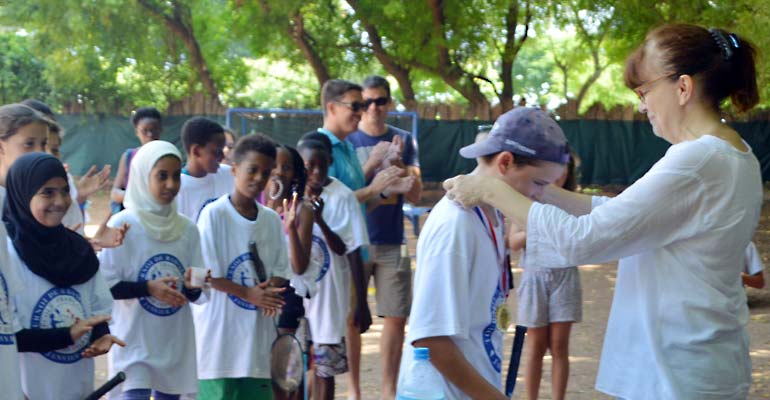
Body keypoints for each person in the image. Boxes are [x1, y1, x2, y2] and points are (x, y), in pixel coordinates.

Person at [444, 24, 761, 399]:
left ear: (683, 88)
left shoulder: (698, 160)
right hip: (699, 365)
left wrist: (491, 189)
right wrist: (541, 190)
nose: (641, 104)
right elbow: (626, 213)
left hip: (678, 373)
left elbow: (586, 239)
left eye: (644, 91)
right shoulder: (735, 155)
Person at [401, 107, 568, 400]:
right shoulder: (456, 225)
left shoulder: (489, 215)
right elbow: (430, 339)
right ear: (505, 162)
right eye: (539, 184)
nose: (540, 196)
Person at [5, 153, 124, 400]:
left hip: (77, 388)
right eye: (47, 192)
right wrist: (67, 335)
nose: (60, 201)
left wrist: (100, 334)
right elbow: (10, 335)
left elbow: (95, 306)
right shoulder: (7, 255)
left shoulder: (79, 250)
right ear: (22, 195)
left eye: (64, 191)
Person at [99, 140, 206, 399]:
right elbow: (106, 287)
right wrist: (148, 288)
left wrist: (193, 286)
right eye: (162, 176)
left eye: (175, 176)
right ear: (141, 176)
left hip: (172, 341)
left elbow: (195, 291)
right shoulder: (124, 224)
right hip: (133, 341)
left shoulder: (188, 229)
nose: (171, 184)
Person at [314, 79, 396, 398]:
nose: (362, 112)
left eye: (364, 105)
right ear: (332, 107)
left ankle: (355, 390)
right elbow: (331, 203)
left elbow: (356, 202)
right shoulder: (319, 149)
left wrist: (386, 189)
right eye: (356, 106)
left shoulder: (347, 146)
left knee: (353, 321)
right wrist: (374, 188)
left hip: (355, 248)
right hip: (331, 255)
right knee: (331, 331)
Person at [194, 134, 290, 400]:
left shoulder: (271, 220)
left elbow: (282, 270)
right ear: (234, 169)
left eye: (266, 172)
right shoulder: (214, 215)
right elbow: (209, 276)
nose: (259, 178)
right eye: (252, 170)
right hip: (219, 344)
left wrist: (271, 288)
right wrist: (249, 294)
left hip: (257, 342)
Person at [346, 75, 422, 398]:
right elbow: (343, 194)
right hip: (356, 241)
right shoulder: (347, 141)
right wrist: (375, 164)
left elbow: (416, 194)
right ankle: (354, 389)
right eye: (367, 102)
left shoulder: (405, 139)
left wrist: (401, 166)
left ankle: (389, 391)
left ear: (389, 104)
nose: (374, 108)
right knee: (352, 316)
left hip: (395, 241)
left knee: (396, 315)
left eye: (380, 101)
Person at [298, 138, 368, 400]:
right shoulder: (292, 194)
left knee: (326, 370)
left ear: (330, 162)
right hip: (299, 298)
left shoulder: (343, 197)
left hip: (329, 300)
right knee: (295, 365)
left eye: (321, 165)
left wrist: (361, 302)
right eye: (308, 166)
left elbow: (348, 251)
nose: (315, 173)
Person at [518, 152, 582, 400]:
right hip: (534, 277)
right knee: (535, 347)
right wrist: (537, 225)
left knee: (559, 346)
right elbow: (512, 241)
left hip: (565, 277)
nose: (561, 173)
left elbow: (581, 239)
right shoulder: (526, 200)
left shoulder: (576, 202)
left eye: (566, 167)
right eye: (556, 167)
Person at [176, 116, 233, 222]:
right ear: (196, 151)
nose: (222, 157)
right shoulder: (178, 188)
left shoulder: (228, 175)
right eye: (216, 152)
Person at [111, 107, 163, 213]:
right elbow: (115, 193)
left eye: (154, 130)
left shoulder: (168, 158)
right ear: (136, 132)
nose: (150, 135)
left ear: (161, 129)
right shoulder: (129, 157)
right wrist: (139, 197)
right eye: (145, 131)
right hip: (132, 218)